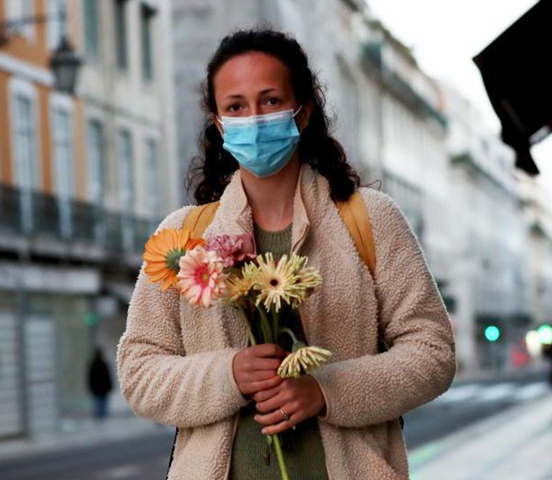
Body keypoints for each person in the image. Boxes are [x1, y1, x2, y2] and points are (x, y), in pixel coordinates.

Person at [117, 29, 456, 479]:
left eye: (271, 100)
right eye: (236, 106)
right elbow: (139, 370)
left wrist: (324, 389)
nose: (254, 118)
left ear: (303, 112)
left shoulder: (371, 220)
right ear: (219, 124)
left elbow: (432, 351)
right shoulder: (183, 237)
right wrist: (229, 374)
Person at [88, 348, 113, 420]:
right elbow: (108, 377)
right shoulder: (103, 364)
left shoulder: (93, 365)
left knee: (98, 404)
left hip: (97, 389)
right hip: (102, 389)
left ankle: (99, 418)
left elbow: (90, 378)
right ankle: (102, 418)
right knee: (102, 404)